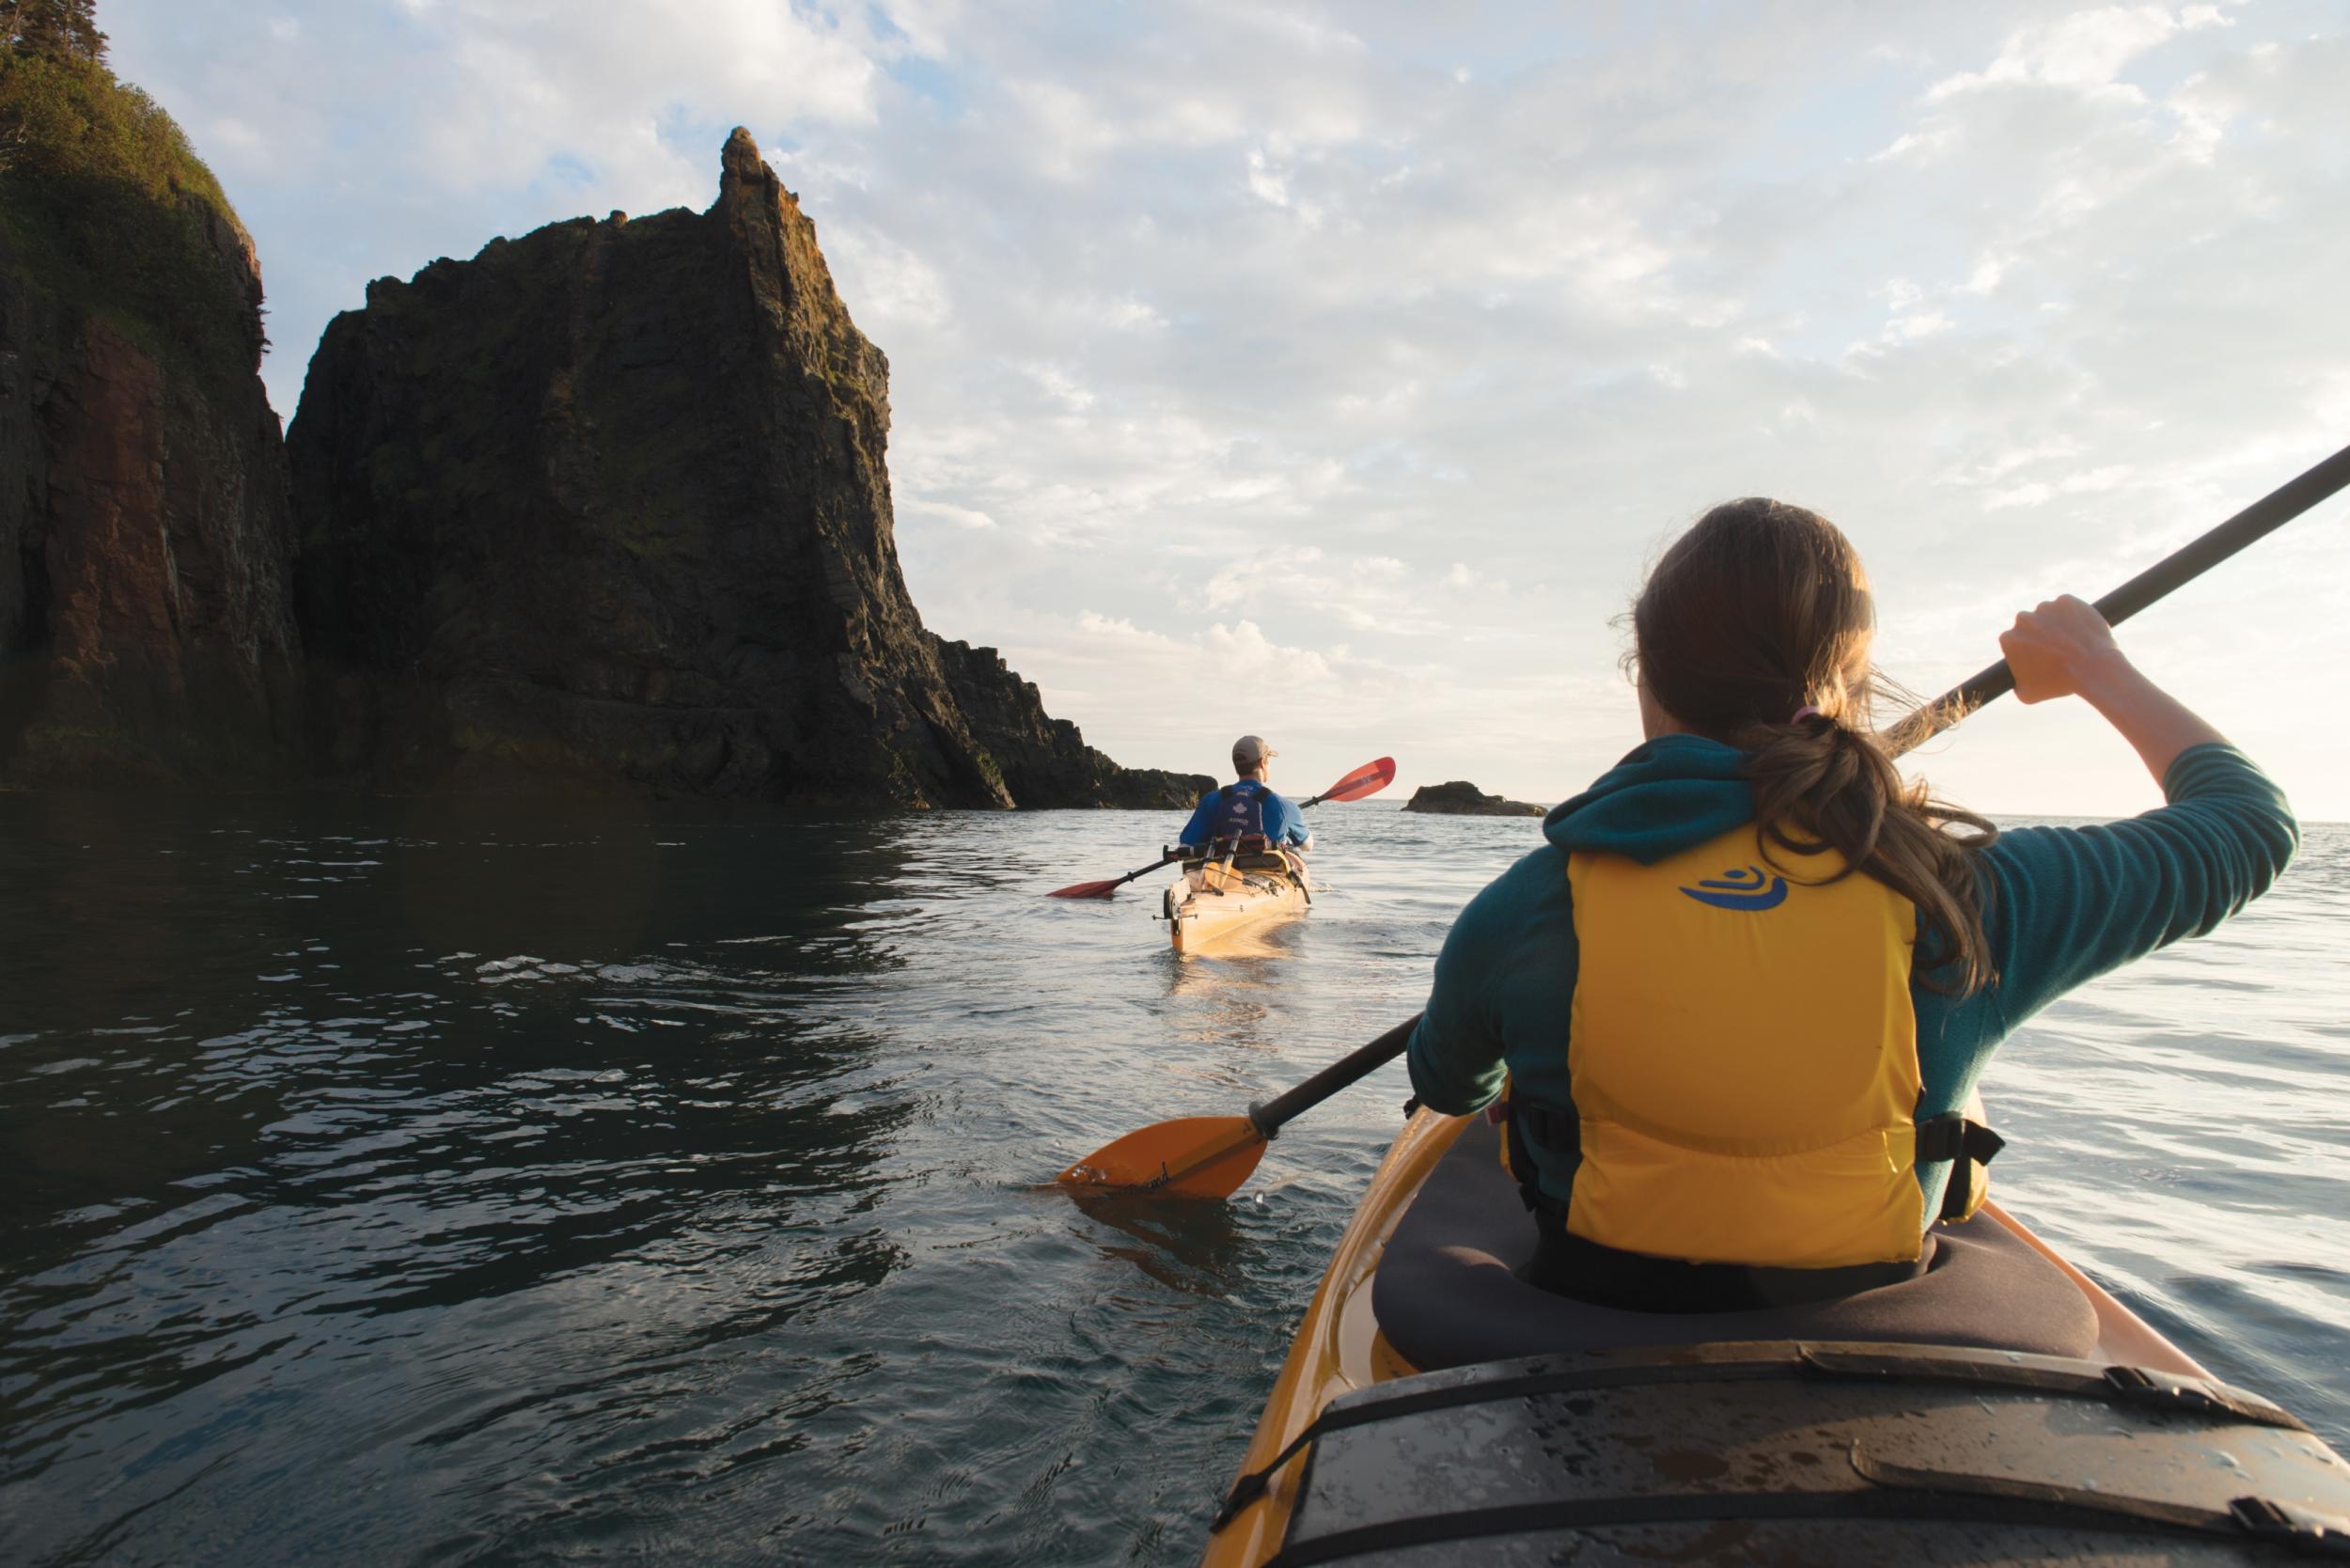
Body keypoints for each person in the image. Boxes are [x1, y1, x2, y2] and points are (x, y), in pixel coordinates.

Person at [1406, 497, 2297, 1313]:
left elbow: (1448, 1084)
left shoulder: (1527, 904)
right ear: (1849, 690)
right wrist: (2100, 669)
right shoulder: (1967, 895)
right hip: (1875, 1312)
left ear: (1646, 678)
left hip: (1591, 1306)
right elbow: (2251, 826)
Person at [1180, 736, 1314, 858]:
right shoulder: (1284, 806)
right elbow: (1307, 846)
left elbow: (1184, 847)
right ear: (1262, 762)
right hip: (1265, 875)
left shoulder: (1210, 800)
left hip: (1216, 874)